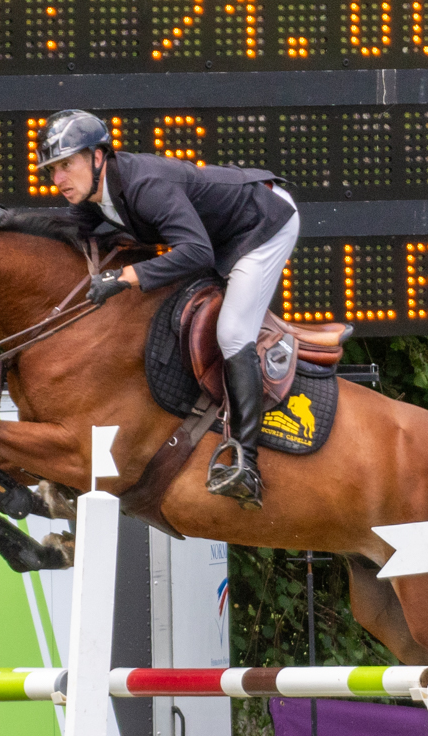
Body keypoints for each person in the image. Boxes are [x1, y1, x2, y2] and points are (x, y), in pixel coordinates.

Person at [35, 108, 298, 510]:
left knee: (232, 332)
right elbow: (64, 227)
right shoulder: (100, 194)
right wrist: (7, 219)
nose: (57, 179)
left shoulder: (146, 185)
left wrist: (124, 278)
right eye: (52, 170)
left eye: (66, 165)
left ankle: (246, 462)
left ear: (98, 156)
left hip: (261, 222)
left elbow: (196, 251)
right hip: (221, 231)